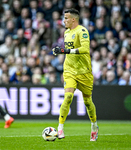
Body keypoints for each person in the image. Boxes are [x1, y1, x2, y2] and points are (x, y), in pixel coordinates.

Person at [52, 9, 98, 141]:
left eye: (66, 18)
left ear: (73, 19)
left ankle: (94, 126)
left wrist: (66, 50)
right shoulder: (66, 32)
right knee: (68, 97)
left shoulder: (82, 31)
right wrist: (59, 51)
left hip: (84, 72)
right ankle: (60, 128)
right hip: (69, 70)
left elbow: (85, 49)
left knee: (88, 102)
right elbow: (67, 51)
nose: (63, 20)